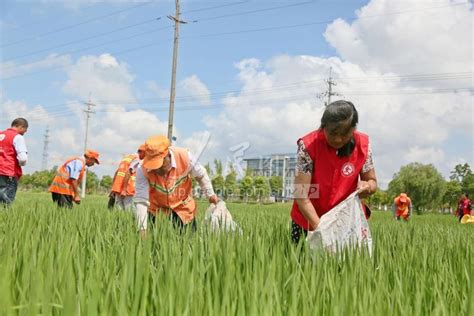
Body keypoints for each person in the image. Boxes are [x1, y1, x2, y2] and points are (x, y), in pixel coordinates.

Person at [290, 100, 377, 244]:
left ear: (354, 129)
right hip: (309, 218)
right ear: (323, 127)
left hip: (345, 222)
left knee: (346, 264)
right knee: (300, 264)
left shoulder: (363, 145)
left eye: (344, 134)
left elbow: (372, 182)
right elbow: (301, 195)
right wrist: (322, 232)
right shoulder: (308, 146)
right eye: (333, 133)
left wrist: (367, 187)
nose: (338, 139)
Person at [133, 135, 218, 237]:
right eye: (154, 167)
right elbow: (141, 201)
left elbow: (201, 175)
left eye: (160, 165)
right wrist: (142, 229)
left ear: (168, 156)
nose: (157, 170)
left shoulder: (185, 157)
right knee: (158, 246)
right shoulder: (142, 169)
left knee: (188, 245)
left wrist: (210, 194)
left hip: (183, 209)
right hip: (157, 211)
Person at [0, 118, 28, 206]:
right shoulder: (18, 137)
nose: (25, 131)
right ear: (20, 126)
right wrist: (20, 164)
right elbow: (23, 158)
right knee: (6, 203)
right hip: (8, 172)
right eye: (25, 129)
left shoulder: (1, 134)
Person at [109, 145, 145, 210]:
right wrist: (124, 189)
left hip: (118, 188)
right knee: (129, 213)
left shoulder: (127, 158)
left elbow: (117, 172)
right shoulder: (137, 159)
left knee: (119, 213)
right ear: (142, 152)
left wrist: (113, 188)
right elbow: (128, 172)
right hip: (127, 189)